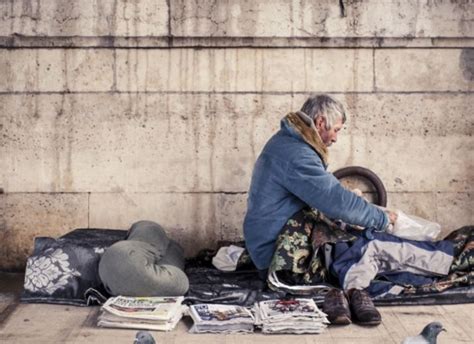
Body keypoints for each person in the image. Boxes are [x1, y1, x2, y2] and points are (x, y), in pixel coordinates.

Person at [243, 94, 398, 326]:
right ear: (320, 122)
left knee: (347, 237)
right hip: (274, 255)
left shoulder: (289, 142)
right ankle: (351, 288)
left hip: (268, 239)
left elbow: (325, 192)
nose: (335, 138)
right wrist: (382, 218)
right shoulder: (296, 153)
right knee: (361, 246)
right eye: (336, 129)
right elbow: (336, 201)